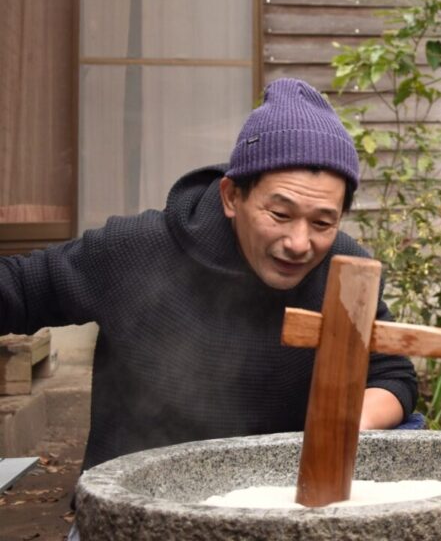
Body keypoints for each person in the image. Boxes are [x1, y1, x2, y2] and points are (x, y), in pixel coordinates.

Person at [0, 78, 419, 476]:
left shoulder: (347, 273)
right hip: (134, 501)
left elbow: (390, 374)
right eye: (280, 214)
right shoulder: (137, 249)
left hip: (281, 499)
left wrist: (343, 428)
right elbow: (16, 287)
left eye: (323, 223)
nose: (298, 242)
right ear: (232, 196)